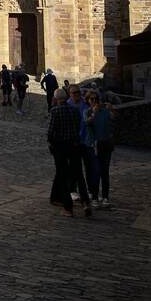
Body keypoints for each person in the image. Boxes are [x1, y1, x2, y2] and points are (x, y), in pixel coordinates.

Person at [47, 88, 84, 217]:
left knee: (62, 174)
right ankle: (55, 197)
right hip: (73, 145)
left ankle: (67, 207)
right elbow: (79, 125)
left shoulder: (55, 111)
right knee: (64, 173)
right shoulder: (74, 110)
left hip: (60, 147)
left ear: (56, 99)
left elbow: (51, 131)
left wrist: (51, 144)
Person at [67, 85, 94, 214]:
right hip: (73, 142)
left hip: (85, 141)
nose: (76, 94)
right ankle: (74, 191)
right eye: (74, 93)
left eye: (78, 92)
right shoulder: (67, 106)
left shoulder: (85, 105)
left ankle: (89, 190)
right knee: (76, 169)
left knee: (88, 166)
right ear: (69, 94)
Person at [85, 91, 115, 207]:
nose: (94, 101)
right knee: (96, 172)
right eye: (91, 99)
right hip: (95, 145)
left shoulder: (104, 111)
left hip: (106, 144)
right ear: (88, 101)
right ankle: (94, 197)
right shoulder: (87, 111)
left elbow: (113, 119)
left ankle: (105, 197)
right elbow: (86, 123)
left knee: (105, 172)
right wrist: (93, 114)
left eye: (96, 99)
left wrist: (111, 110)